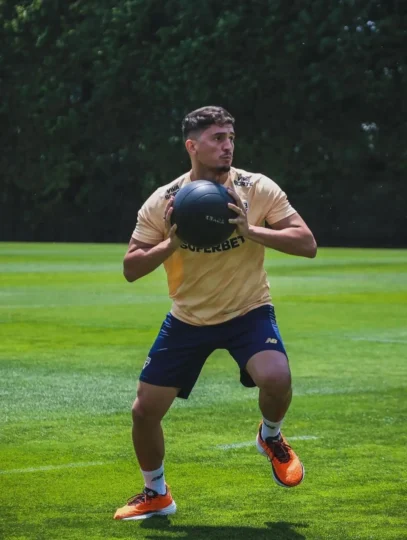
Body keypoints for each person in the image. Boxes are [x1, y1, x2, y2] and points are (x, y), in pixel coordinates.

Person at [114, 106, 317, 521]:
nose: (227, 146)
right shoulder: (165, 200)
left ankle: (271, 437)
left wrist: (251, 230)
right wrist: (170, 245)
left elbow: (307, 242)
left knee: (277, 378)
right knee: (144, 411)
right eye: (217, 138)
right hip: (188, 317)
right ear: (192, 146)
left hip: (248, 310)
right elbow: (131, 268)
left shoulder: (256, 188)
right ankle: (156, 493)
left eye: (231, 138)